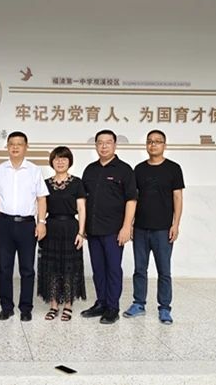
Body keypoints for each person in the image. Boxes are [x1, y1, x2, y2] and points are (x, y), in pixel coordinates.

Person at [123, 129, 184, 325]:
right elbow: (133, 198)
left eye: (157, 141)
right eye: (150, 141)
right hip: (141, 228)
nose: (153, 144)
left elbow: (178, 197)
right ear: (146, 145)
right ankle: (139, 304)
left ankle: (164, 308)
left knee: (164, 271)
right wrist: (131, 223)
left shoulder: (173, 168)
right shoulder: (139, 169)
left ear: (164, 145)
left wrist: (175, 224)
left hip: (163, 229)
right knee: (140, 269)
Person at [0, 131, 48, 322]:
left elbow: (41, 198)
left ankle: (26, 308)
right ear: (7, 146)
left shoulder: (34, 170)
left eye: (19, 144)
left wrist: (41, 222)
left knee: (27, 269)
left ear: (26, 147)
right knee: (5, 268)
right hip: (4, 224)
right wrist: (3, 211)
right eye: (11, 144)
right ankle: (6, 307)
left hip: (27, 225)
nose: (15, 147)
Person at [81, 129, 137, 324]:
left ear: (115, 145)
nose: (104, 146)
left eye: (108, 142)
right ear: (96, 145)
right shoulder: (90, 170)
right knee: (98, 268)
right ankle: (101, 303)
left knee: (113, 268)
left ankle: (113, 307)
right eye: (100, 142)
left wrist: (126, 227)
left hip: (114, 230)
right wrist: (83, 227)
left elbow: (131, 200)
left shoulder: (124, 170)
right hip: (93, 229)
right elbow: (83, 201)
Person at [37, 146, 87, 322]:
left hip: (70, 228)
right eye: (57, 158)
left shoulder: (77, 183)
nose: (60, 162)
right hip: (50, 227)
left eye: (64, 159)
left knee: (69, 268)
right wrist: (40, 225)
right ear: (52, 162)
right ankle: (53, 305)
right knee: (51, 267)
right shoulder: (45, 183)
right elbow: (41, 206)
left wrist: (81, 232)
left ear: (69, 162)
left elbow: (81, 208)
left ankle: (68, 305)